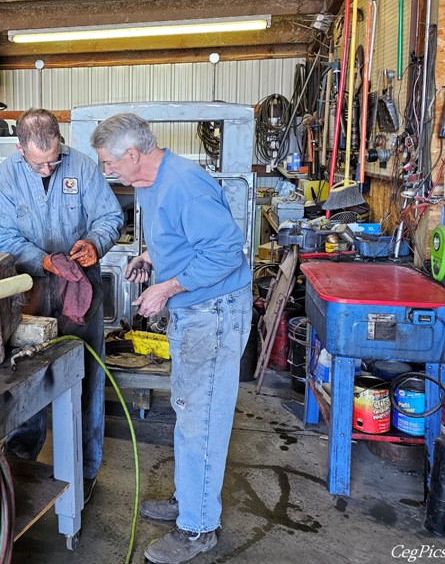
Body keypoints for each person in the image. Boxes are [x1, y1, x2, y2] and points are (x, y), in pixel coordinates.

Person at [90, 113, 252, 564]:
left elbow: (224, 250)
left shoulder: (185, 183)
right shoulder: (151, 182)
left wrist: (169, 286)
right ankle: (191, 501)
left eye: (108, 163)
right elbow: (181, 237)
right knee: (188, 413)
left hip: (214, 312)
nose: (107, 171)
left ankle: (199, 529)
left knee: (202, 419)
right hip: (196, 311)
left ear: (132, 155)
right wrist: (150, 257)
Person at [0, 108, 123, 503]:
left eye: (52, 161)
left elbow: (109, 217)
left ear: (60, 142)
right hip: (29, 293)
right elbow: (2, 237)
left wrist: (94, 243)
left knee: (85, 377)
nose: (47, 170)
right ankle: (22, 458)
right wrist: (45, 261)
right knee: (27, 378)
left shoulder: (82, 167)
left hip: (80, 290)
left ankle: (85, 469)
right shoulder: (5, 177)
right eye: (38, 163)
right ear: (19, 149)